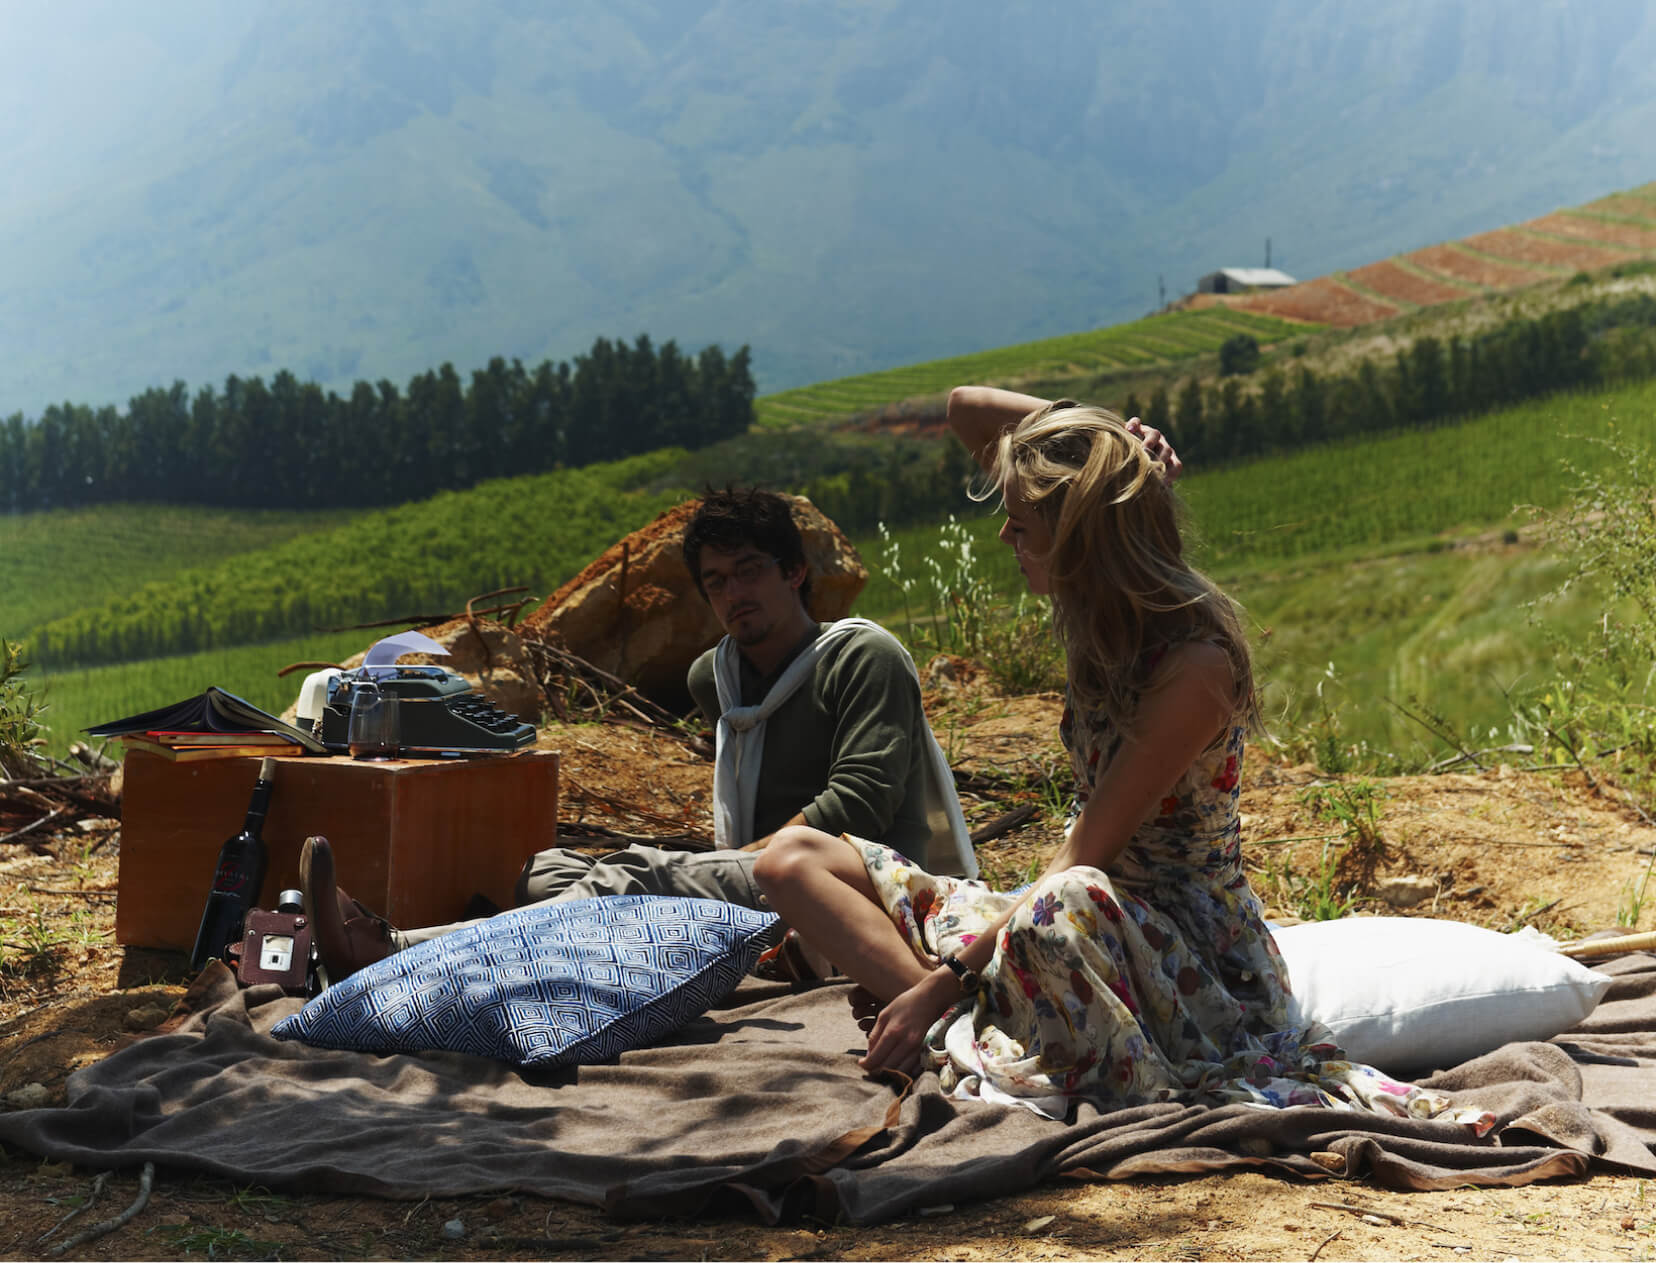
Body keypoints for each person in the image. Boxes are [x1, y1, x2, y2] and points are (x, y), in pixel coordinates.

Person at [753, 387, 1492, 1126]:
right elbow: (964, 409)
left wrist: (942, 980)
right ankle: (953, 1012)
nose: (1005, 536)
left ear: (1080, 536)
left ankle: (943, 1005)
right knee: (788, 861)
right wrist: (1118, 445)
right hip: (1084, 916)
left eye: (1023, 522)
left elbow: (1085, 853)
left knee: (1052, 906)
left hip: (1178, 948)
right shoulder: (1092, 606)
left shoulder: (1193, 663)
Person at [300, 485, 982, 985]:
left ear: (795, 571)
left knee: (637, 878)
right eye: (716, 581)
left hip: (847, 884)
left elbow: (857, 806)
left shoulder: (862, 657)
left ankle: (399, 951)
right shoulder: (717, 678)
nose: (734, 593)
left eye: (750, 570)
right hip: (763, 876)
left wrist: (734, 860)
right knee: (547, 872)